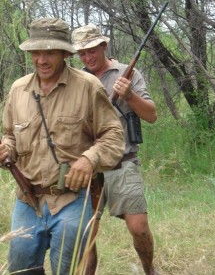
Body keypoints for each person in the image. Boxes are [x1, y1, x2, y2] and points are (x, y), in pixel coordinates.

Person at [0, 18, 125, 275]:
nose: (42, 60)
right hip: (27, 199)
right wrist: (6, 149)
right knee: (20, 270)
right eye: (36, 52)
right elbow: (10, 135)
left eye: (50, 53)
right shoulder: (18, 90)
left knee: (67, 270)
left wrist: (89, 159)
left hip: (72, 199)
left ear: (65, 53)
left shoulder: (88, 87)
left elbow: (113, 135)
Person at [72, 24, 158, 275]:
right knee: (85, 231)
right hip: (86, 165)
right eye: (82, 53)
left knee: (139, 227)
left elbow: (151, 115)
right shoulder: (76, 80)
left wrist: (130, 95)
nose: (88, 57)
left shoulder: (128, 74)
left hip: (123, 160)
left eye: (92, 50)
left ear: (103, 46)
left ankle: (149, 269)